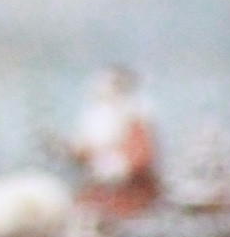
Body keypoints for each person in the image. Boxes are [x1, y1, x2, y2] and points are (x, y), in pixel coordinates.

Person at [69, 67, 161, 220]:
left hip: (131, 197)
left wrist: (113, 167)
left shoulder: (136, 117)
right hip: (98, 193)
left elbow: (141, 158)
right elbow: (86, 153)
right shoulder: (96, 118)